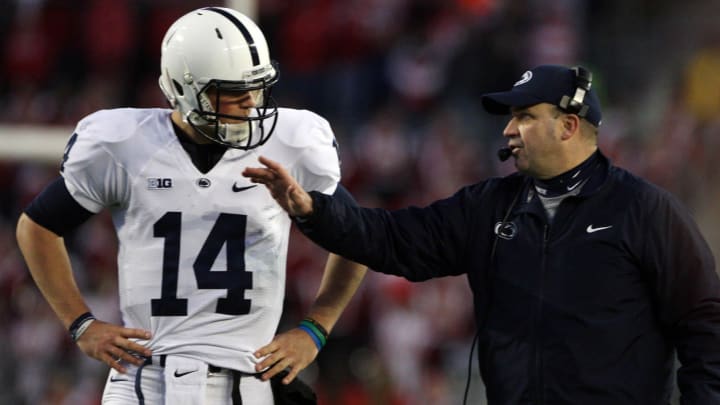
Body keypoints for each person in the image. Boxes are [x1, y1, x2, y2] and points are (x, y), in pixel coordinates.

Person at [243, 64, 720, 404]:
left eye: (526, 117)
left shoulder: (646, 210)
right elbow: (389, 240)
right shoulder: (488, 205)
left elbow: (705, 323)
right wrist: (315, 210)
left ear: (569, 126)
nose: (509, 130)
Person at [15, 7, 366, 405]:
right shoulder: (126, 145)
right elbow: (37, 227)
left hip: (248, 382)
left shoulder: (290, 144)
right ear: (186, 88)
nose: (251, 103)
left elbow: (357, 236)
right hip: (145, 381)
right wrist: (81, 324)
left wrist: (315, 329)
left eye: (256, 87)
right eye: (233, 90)